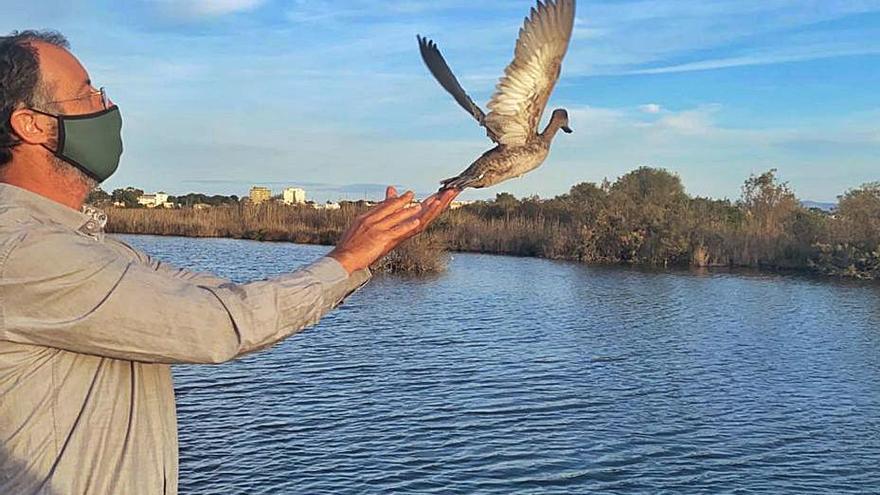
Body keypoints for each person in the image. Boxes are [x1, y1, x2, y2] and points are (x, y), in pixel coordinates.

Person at [0, 30, 459, 494]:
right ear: (31, 124)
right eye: (88, 94)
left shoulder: (81, 243)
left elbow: (215, 297)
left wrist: (357, 257)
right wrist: (348, 258)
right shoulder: (24, 250)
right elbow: (217, 325)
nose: (106, 105)